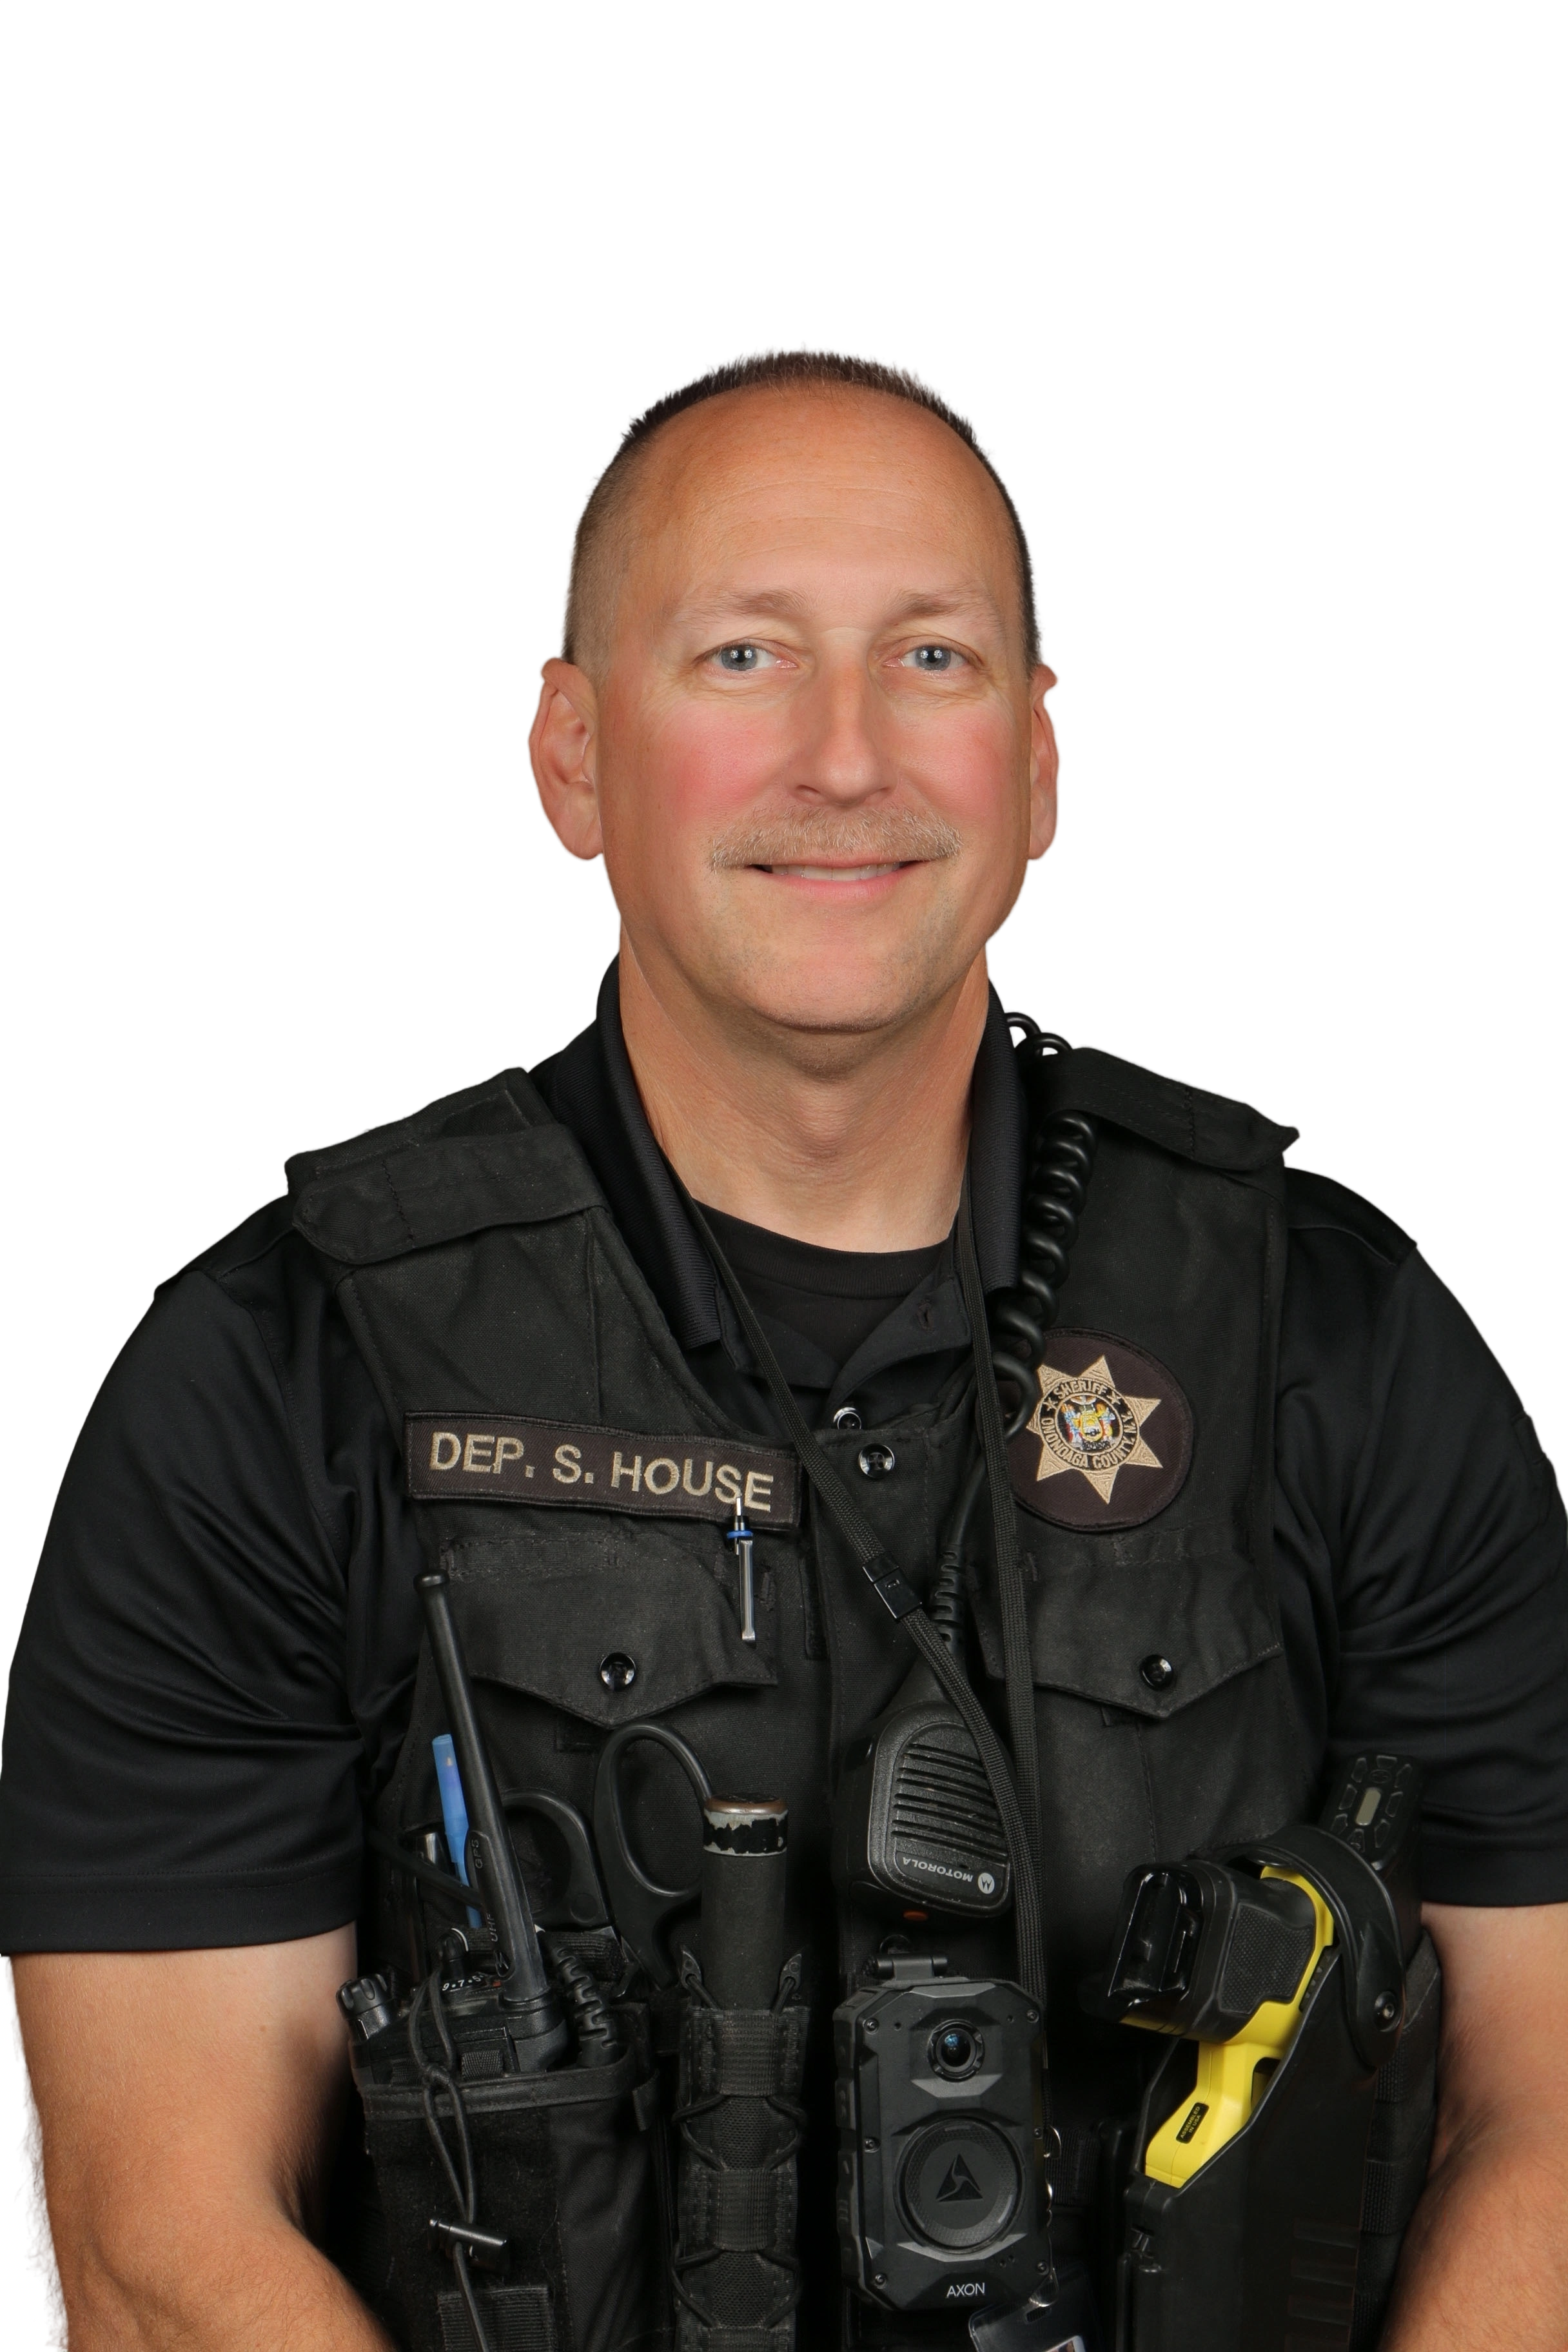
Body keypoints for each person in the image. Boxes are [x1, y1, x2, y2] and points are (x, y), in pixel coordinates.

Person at [3, 339, 1567, 2352]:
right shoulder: (274, 1373)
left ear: (1043, 759)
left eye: (933, 658)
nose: (846, 757)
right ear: (575, 755)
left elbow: (1548, 2112)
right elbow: (155, 2241)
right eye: (742, 657)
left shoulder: (1335, 1329)